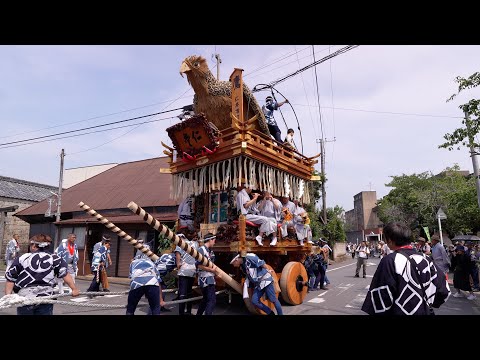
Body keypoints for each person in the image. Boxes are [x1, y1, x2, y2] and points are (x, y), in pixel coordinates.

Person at [361, 222, 450, 315]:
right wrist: (428, 304)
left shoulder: (390, 261)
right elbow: (444, 291)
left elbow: (380, 298)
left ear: (390, 240)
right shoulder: (426, 259)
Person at [4, 234, 79, 315]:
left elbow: (11, 278)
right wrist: (74, 288)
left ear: (33, 246)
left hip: (25, 298)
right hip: (45, 297)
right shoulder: (54, 258)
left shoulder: (22, 258)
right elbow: (65, 274)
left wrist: (8, 295)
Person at [175, 233, 198, 315]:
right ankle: (188, 311)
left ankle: (181, 312)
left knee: (182, 293)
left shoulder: (181, 243)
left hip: (184, 271)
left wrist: (178, 264)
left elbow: (178, 255)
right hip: (192, 271)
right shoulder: (195, 244)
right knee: (189, 292)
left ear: (180, 237)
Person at [196, 233, 217, 315]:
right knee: (211, 300)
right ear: (210, 240)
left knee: (206, 299)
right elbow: (198, 265)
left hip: (210, 276)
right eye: (214, 240)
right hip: (205, 277)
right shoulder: (201, 250)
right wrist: (211, 270)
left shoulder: (210, 251)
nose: (214, 242)